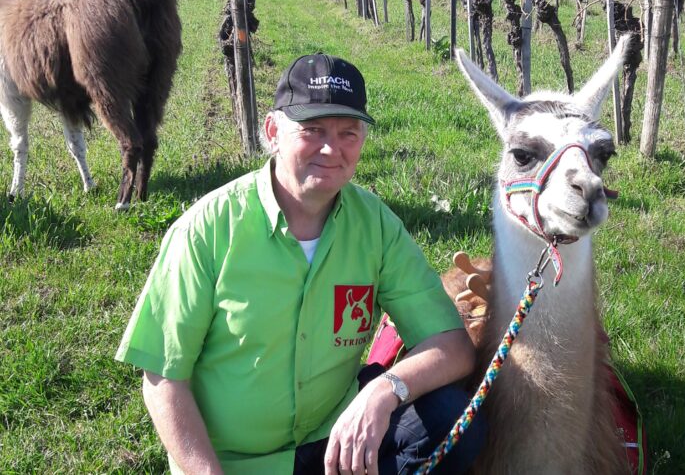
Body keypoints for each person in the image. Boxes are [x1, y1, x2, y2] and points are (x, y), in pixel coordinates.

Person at [116, 53, 485, 474]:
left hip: (335, 446)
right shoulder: (206, 231)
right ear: (273, 132)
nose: (332, 148)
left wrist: (383, 391)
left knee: (455, 419)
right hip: (235, 465)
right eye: (312, 129)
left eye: (349, 132)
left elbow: (453, 346)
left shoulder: (374, 225)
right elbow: (163, 382)